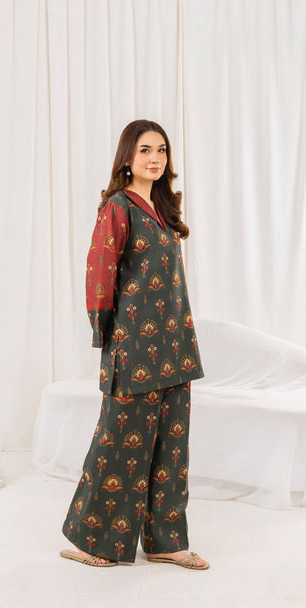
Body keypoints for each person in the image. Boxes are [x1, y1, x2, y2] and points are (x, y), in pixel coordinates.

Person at [60, 119, 210, 570]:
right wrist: (105, 334)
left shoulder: (162, 209)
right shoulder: (117, 208)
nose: (155, 158)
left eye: (161, 150)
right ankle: (93, 541)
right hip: (135, 348)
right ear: (128, 156)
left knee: (171, 451)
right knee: (120, 445)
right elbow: (100, 273)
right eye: (145, 149)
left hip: (176, 346)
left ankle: (166, 541)